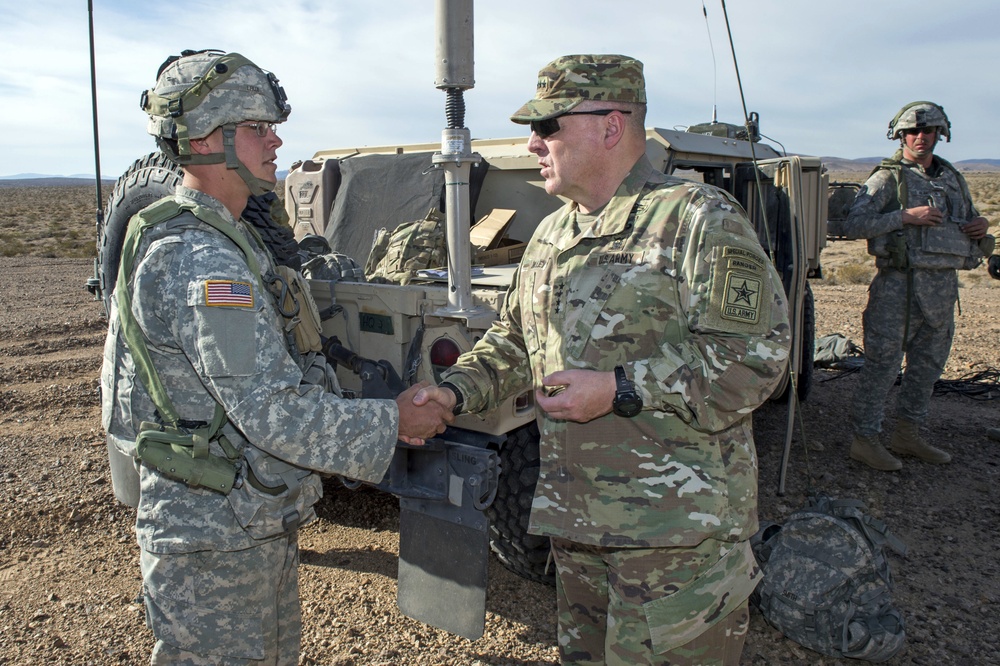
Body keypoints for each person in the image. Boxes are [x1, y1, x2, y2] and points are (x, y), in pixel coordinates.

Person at [414, 54, 791, 665]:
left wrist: (618, 388)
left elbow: (755, 361)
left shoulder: (696, 221)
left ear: (611, 127)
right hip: (579, 530)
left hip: (674, 543)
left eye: (549, 126)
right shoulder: (553, 233)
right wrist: (453, 394)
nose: (532, 143)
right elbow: (514, 340)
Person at [100, 49, 451, 664]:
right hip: (213, 541)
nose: (276, 139)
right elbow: (272, 414)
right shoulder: (203, 261)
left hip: (239, 523)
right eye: (257, 127)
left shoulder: (227, 244)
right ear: (209, 140)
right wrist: (395, 421)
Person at [833, 101, 994, 471]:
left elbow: (967, 219)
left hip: (941, 290)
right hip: (898, 289)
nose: (920, 137)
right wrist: (905, 216)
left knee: (927, 369)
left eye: (928, 131)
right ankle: (866, 439)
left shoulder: (951, 177)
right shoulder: (888, 178)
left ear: (941, 134)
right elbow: (854, 224)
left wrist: (980, 225)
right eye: (912, 132)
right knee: (882, 368)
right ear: (901, 135)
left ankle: (907, 434)